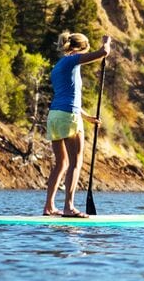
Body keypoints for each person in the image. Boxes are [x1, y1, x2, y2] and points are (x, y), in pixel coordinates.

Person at [44, 31, 112, 217]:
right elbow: (103, 53)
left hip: (55, 115)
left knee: (61, 163)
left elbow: (67, 96)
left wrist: (87, 117)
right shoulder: (71, 60)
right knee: (76, 162)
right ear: (80, 48)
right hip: (67, 116)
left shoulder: (58, 66)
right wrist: (106, 43)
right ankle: (69, 207)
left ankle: (49, 207)